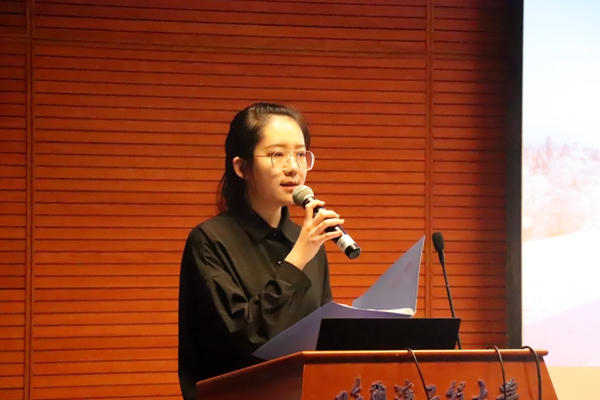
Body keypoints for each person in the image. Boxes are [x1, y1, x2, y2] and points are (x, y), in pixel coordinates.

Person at [177, 102, 345, 400]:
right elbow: (246, 339)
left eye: (300, 154)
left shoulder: (307, 239)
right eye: (277, 155)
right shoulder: (210, 241)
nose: (293, 167)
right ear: (242, 167)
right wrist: (297, 259)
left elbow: (321, 336)